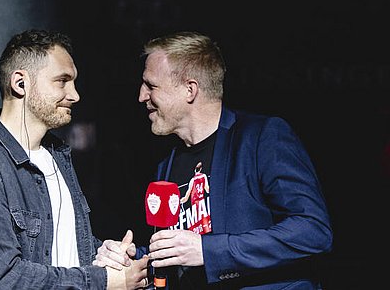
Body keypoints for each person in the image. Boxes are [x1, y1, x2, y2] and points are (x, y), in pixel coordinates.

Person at [95, 31, 333, 289]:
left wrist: (208, 251)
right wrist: (134, 260)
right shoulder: (167, 162)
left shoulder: (262, 137)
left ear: (190, 90)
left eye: (151, 86)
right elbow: (180, 255)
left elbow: (313, 231)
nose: (141, 96)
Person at [0, 29, 149, 289]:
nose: (75, 95)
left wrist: (103, 255)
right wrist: (103, 281)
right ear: (20, 83)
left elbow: (62, 250)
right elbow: (4, 281)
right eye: (62, 81)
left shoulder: (56, 156)